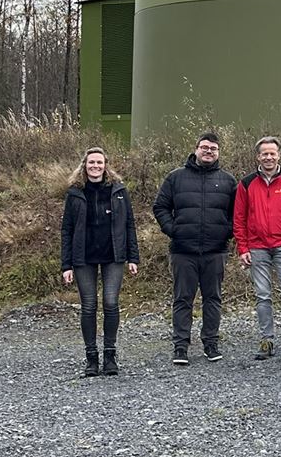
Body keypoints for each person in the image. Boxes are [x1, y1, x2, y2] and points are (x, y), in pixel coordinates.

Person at [153, 131, 236, 366]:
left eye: (213, 149)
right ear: (196, 149)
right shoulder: (175, 178)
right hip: (183, 250)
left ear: (218, 152)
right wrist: (173, 230)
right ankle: (181, 346)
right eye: (205, 147)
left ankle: (211, 343)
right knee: (182, 299)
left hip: (215, 250)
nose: (209, 152)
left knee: (213, 299)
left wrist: (226, 232)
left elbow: (238, 214)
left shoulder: (228, 181)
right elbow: (160, 207)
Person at [61, 147, 140, 376]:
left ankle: (110, 355)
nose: (95, 166)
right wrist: (66, 264)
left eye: (99, 162)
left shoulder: (118, 190)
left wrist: (133, 257)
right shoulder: (75, 193)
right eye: (91, 162)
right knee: (88, 306)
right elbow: (66, 230)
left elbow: (129, 224)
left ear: (106, 165)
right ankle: (91, 358)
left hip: (113, 255)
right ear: (84, 165)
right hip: (83, 257)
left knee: (110, 303)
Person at [233, 136, 281, 361]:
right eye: (264, 153)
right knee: (263, 295)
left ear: (279, 155)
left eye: (272, 153)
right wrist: (243, 248)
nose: (268, 157)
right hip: (257, 246)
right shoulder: (246, 184)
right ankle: (267, 340)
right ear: (258, 156)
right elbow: (239, 218)